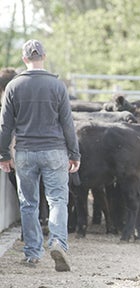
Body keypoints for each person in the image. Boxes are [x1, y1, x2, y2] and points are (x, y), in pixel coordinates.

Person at [0, 39, 80, 271]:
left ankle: (33, 253)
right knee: (57, 200)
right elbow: (67, 123)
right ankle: (57, 242)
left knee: (28, 203)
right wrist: (74, 153)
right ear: (43, 56)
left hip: (24, 151)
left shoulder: (14, 86)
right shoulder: (58, 86)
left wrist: (4, 154)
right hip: (54, 150)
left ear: (24, 59)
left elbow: (5, 126)